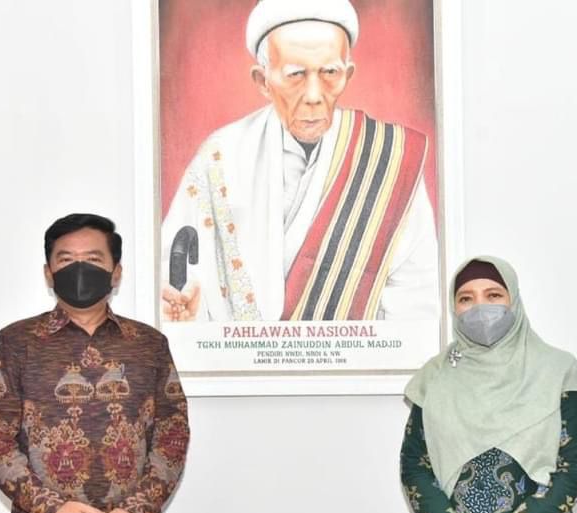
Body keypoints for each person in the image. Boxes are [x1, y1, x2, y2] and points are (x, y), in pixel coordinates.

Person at [0, 214, 190, 513]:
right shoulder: (16, 343)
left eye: (92, 259)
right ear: (48, 272)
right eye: (65, 259)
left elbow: (173, 434)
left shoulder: (148, 344)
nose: (79, 269)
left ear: (116, 271)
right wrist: (53, 512)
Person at [160, 0, 439, 325]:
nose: (314, 95)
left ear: (348, 75)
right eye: (295, 75)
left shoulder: (388, 159)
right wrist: (186, 315)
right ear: (262, 81)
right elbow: (176, 281)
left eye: (330, 73)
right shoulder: (219, 158)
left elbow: (415, 299)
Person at [400, 257, 577, 513]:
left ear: (513, 299)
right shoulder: (434, 377)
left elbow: (572, 472)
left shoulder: (558, 371)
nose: (480, 307)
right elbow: (415, 467)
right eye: (466, 298)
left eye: (493, 295)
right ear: (453, 307)